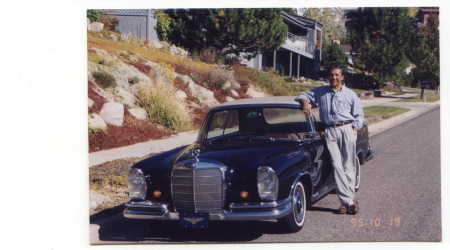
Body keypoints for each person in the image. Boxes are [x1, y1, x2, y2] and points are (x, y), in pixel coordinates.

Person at [295, 65, 364, 215]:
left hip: (347, 129)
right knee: (337, 166)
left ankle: (346, 202)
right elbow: (302, 95)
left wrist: (354, 129)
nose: (334, 78)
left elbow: (359, 115)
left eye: (337, 75)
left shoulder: (351, 95)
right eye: (331, 75)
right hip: (330, 131)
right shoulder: (321, 92)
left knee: (348, 166)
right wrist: (305, 102)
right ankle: (349, 202)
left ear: (342, 77)